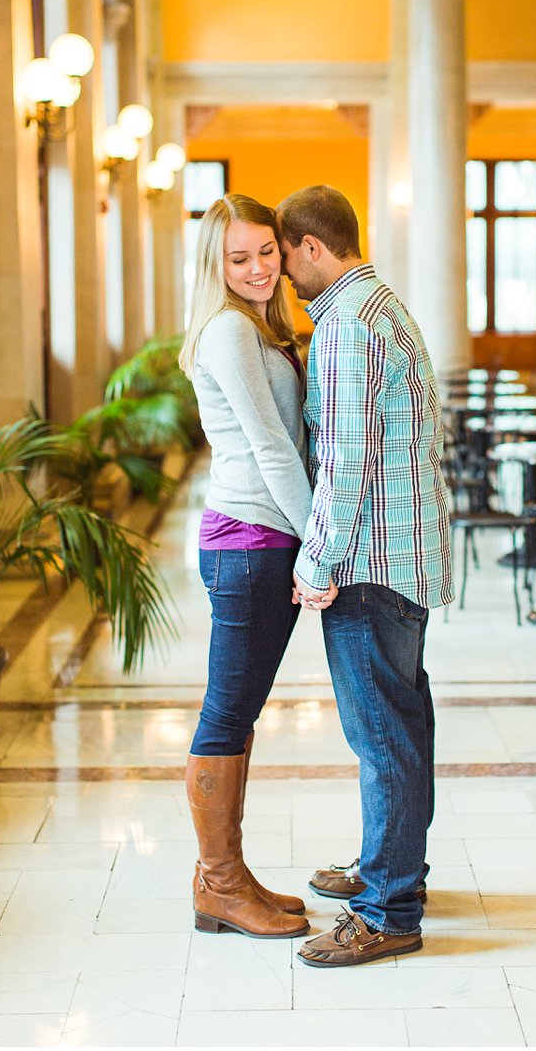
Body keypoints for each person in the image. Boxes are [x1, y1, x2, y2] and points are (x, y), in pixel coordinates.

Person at [276, 184, 453, 967]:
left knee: (382, 735)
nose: (284, 277)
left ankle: (388, 909)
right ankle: (391, 870)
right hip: (403, 554)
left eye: (283, 260)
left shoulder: (345, 324)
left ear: (312, 246)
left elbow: (344, 459)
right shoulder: (381, 305)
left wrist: (313, 561)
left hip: (370, 562)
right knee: (402, 726)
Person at [178, 193, 331, 941]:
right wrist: (316, 544)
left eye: (265, 251)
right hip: (248, 541)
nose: (258, 267)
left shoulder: (260, 329)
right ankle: (218, 883)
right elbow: (272, 449)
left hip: (257, 538)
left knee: (239, 713)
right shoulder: (228, 334)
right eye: (238, 258)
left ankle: (229, 874)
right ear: (215, 265)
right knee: (226, 711)